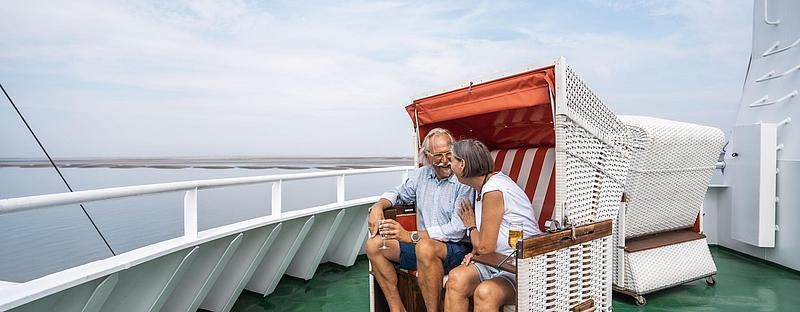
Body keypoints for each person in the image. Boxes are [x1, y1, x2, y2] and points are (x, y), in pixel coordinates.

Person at [366, 128, 473, 312]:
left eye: (449, 153)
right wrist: (378, 206)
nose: (446, 160)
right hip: (422, 245)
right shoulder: (421, 175)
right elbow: (397, 193)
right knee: (374, 245)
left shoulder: (463, 180)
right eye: (438, 156)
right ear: (427, 156)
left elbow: (457, 229)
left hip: (456, 249)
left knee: (424, 247)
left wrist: (411, 236)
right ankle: (396, 308)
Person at [444, 139, 541, 311]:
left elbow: (485, 248)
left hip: (521, 267)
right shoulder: (481, 187)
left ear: (462, 165)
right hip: (495, 262)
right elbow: (486, 242)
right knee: (456, 278)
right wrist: (474, 253)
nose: (448, 163)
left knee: (485, 292)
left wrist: (471, 225)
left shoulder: (494, 190)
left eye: (452, 159)